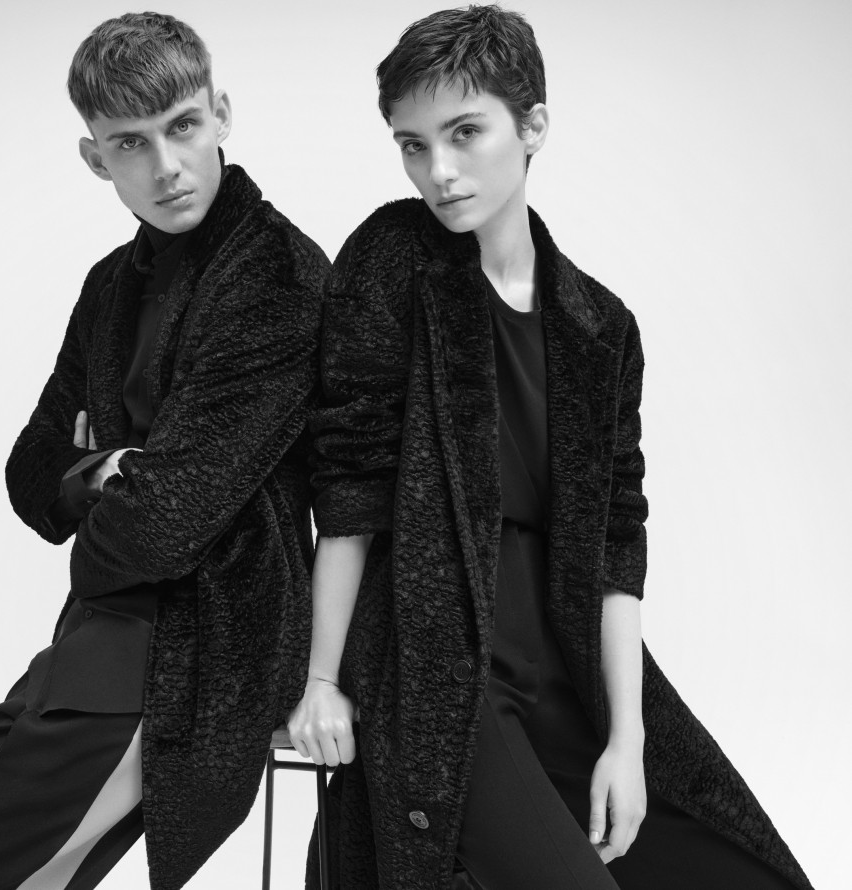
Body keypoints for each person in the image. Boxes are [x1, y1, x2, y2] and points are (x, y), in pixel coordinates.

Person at [287, 5, 812, 889]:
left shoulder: (599, 325)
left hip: (567, 656)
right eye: (413, 145)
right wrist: (321, 679)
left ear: (532, 126)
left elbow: (615, 544)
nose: (439, 171)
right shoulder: (392, 259)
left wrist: (627, 741)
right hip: (437, 657)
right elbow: (349, 490)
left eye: (464, 133)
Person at [0, 12, 327, 890]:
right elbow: (29, 468)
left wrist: (110, 479)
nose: (167, 166)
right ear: (95, 158)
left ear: (222, 114)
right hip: (96, 637)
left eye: (183, 127)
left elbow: (162, 524)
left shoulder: (278, 277)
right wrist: (113, 473)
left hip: (203, 648)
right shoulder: (111, 284)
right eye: (131, 144)